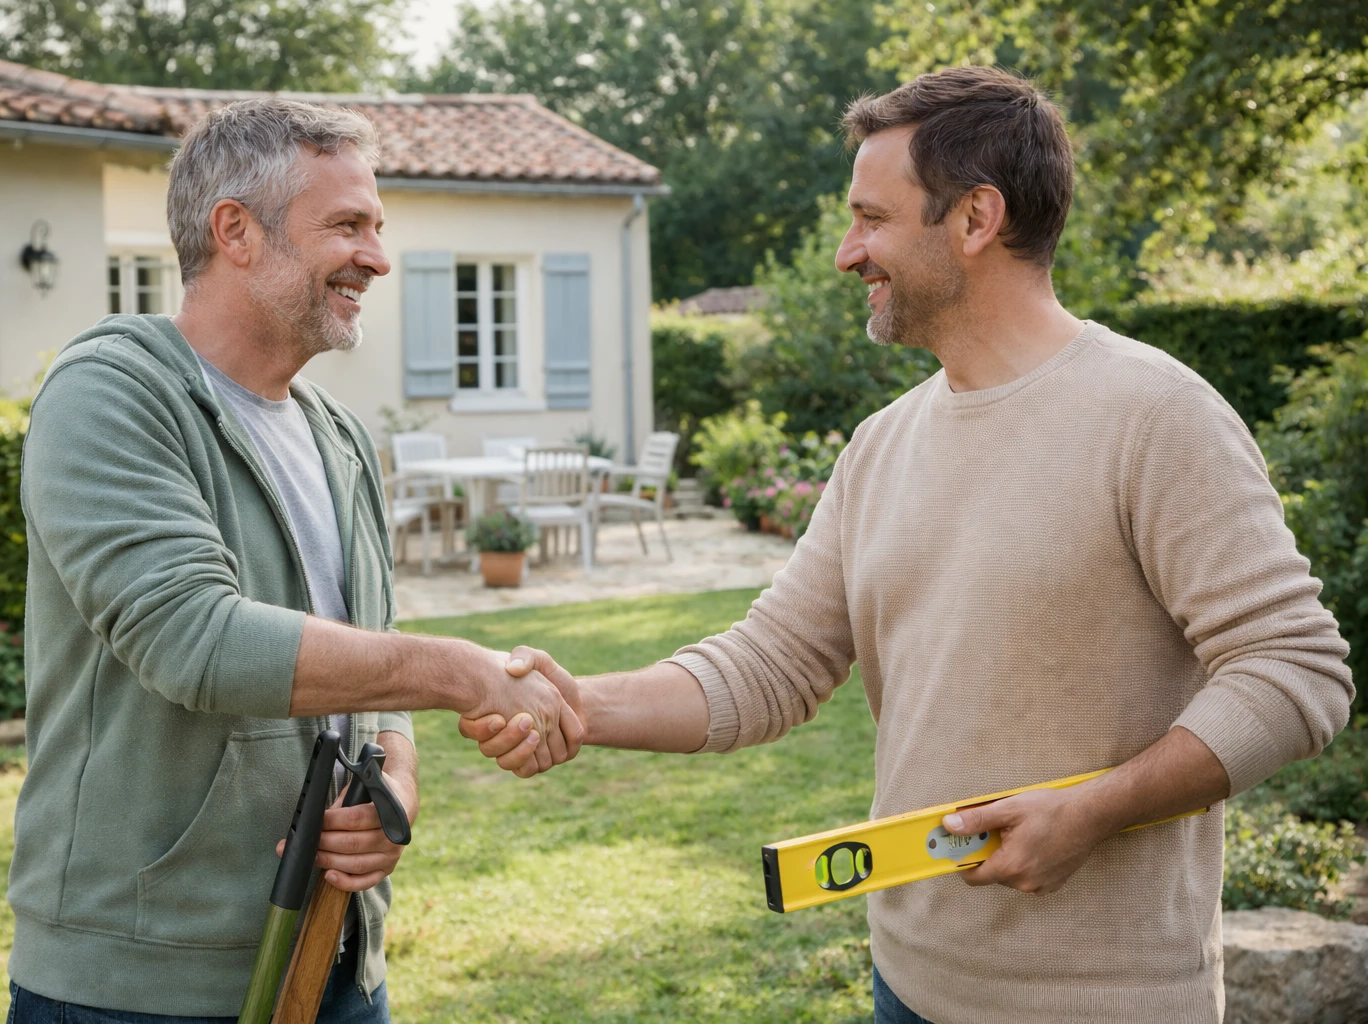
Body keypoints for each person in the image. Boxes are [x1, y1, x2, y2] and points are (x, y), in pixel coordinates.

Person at [462, 66, 1354, 1023]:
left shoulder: (1156, 416)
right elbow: (773, 665)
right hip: (909, 982)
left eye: (871, 219)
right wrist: (581, 704)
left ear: (976, 219)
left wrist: (1094, 810)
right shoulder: (882, 443)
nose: (849, 253)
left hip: (1105, 1000)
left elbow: (1296, 671)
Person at [6, 97, 581, 1023]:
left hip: (334, 962)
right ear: (235, 230)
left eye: (378, 227)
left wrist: (396, 779)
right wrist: (462, 672)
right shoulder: (111, 394)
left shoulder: (340, 437)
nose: (378, 258)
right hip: (139, 981)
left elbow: (373, 664)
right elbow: (192, 639)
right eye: (347, 226)